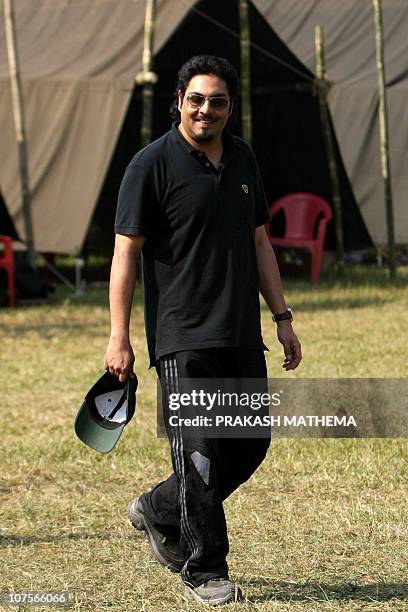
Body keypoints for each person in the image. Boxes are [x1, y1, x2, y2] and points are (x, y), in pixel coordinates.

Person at [104, 55, 301, 606]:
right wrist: (119, 336)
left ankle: (157, 508)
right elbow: (125, 254)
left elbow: (261, 241)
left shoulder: (242, 159)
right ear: (180, 102)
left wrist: (283, 319)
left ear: (230, 107)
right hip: (181, 337)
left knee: (249, 445)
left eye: (217, 101)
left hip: (240, 332)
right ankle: (206, 568)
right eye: (196, 99)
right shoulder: (149, 166)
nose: (206, 109)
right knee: (200, 456)